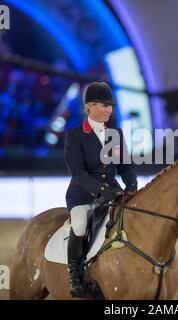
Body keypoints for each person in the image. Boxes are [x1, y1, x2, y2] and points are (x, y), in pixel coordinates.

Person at [64, 80, 137, 298]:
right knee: (79, 224)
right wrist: (101, 190)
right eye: (104, 105)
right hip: (83, 196)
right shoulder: (76, 136)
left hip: (112, 194)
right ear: (89, 107)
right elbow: (77, 172)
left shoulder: (115, 134)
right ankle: (74, 276)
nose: (109, 110)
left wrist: (131, 184)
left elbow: (125, 165)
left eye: (110, 105)